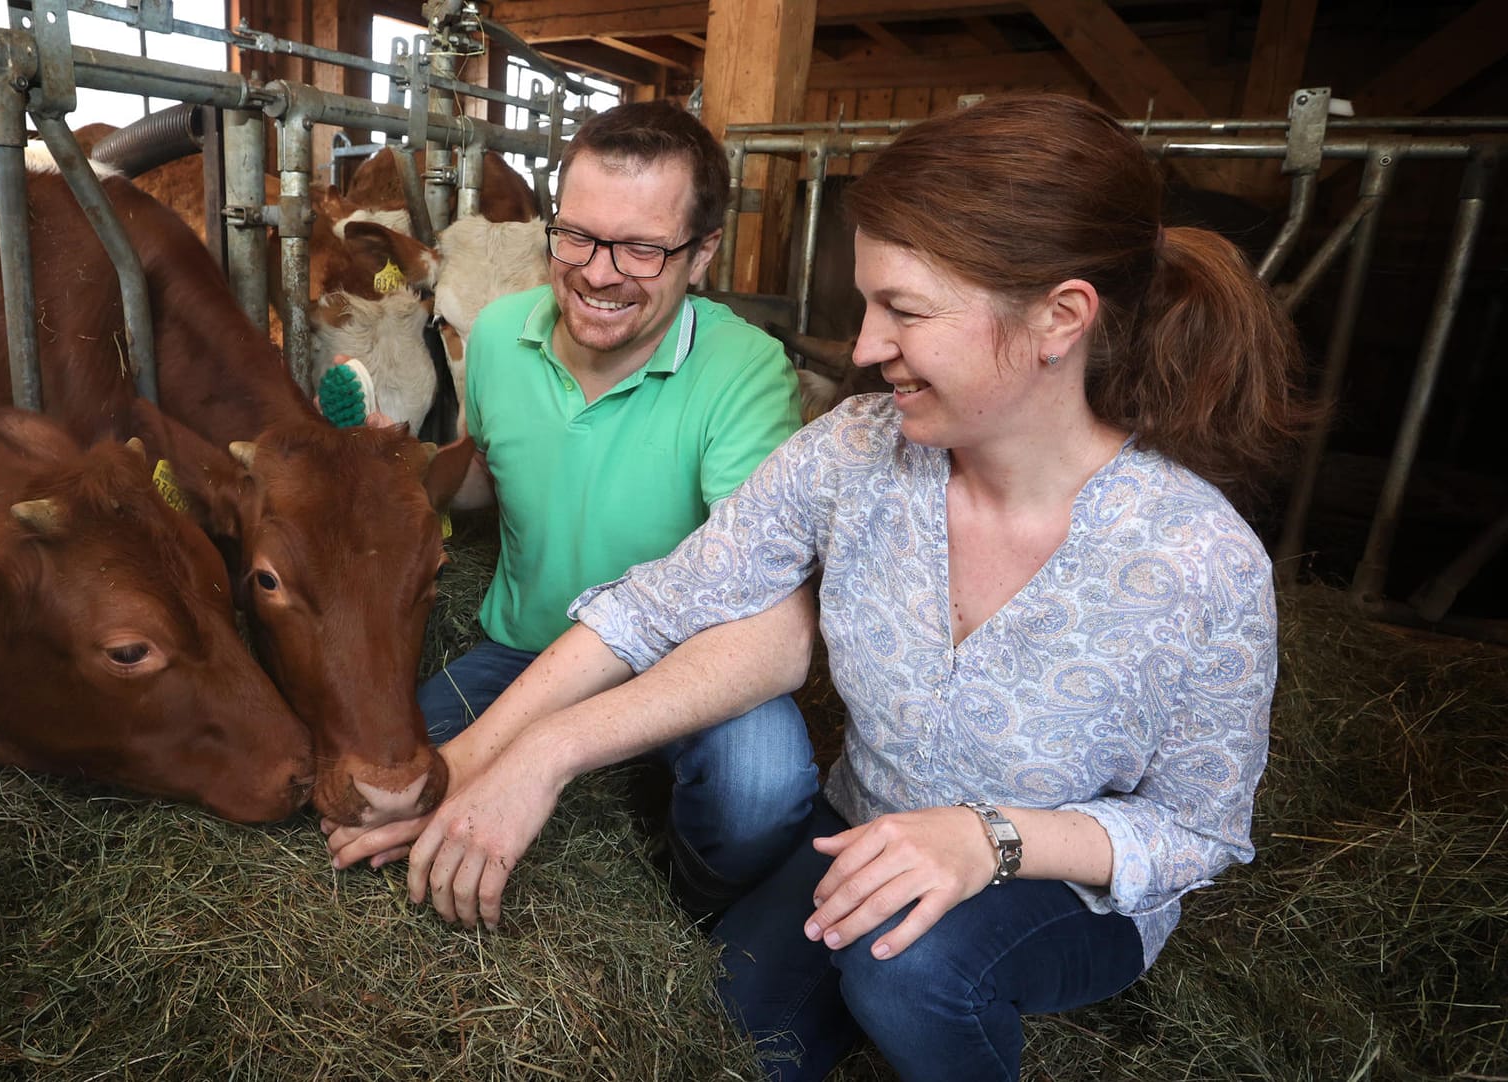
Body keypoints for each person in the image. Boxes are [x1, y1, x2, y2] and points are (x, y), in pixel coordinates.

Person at [331, 93, 1312, 1081]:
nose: (866, 345)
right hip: (864, 829)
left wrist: (991, 840)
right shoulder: (857, 449)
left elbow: (1200, 828)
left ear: (1060, 317)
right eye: (869, 303)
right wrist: (506, 757)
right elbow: (660, 603)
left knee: (910, 969)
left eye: (906, 310)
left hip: (1061, 880)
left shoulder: (1199, 559)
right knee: (725, 1036)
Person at [325, 100, 816, 916]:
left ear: (701, 257)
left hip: (683, 664)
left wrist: (533, 752)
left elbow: (767, 609)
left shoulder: (748, 373)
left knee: (760, 791)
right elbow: (488, 475)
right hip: (523, 648)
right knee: (390, 776)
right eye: (578, 235)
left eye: (642, 248)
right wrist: (402, 475)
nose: (596, 271)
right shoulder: (497, 333)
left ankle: (688, 917)